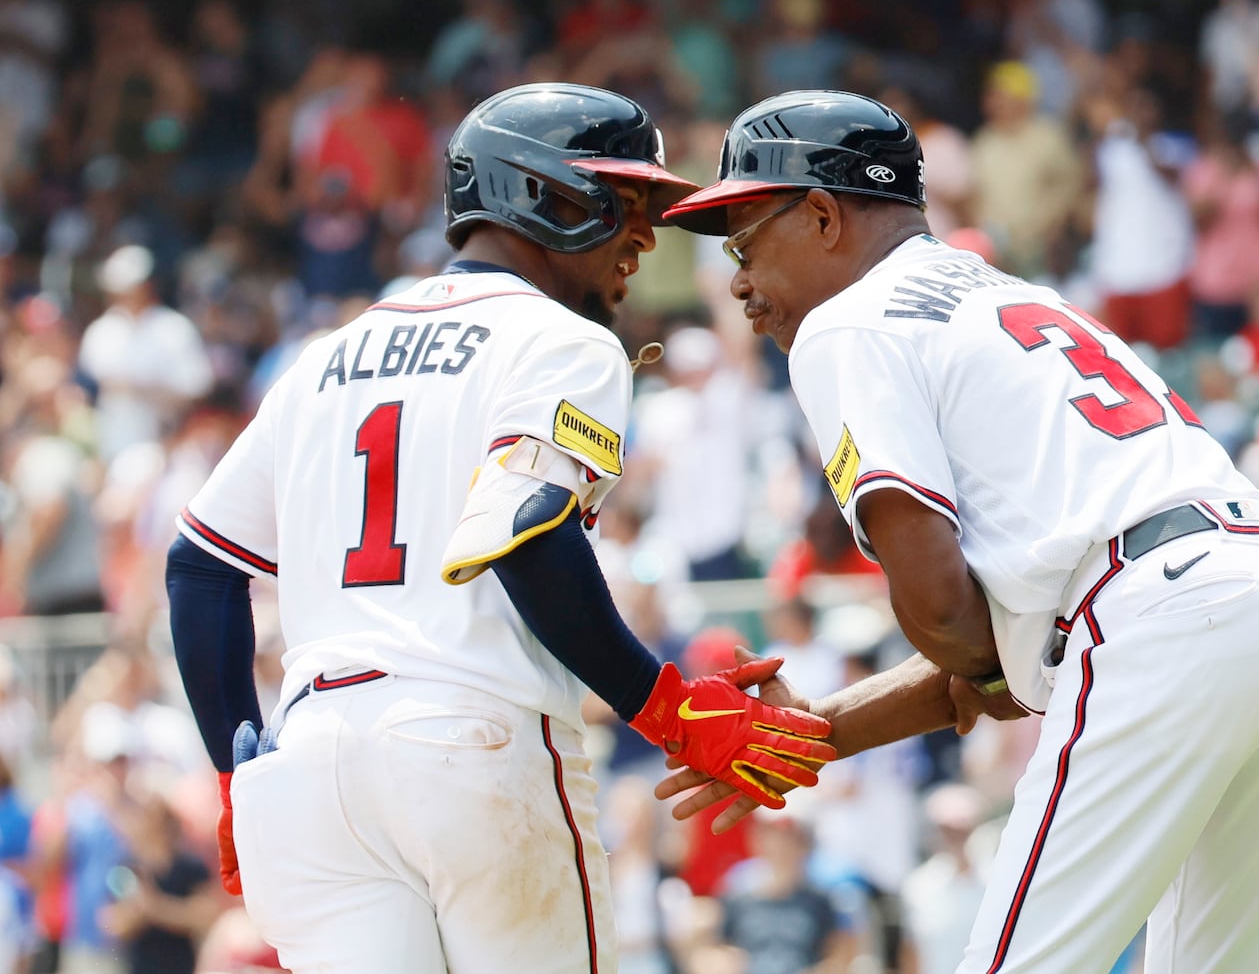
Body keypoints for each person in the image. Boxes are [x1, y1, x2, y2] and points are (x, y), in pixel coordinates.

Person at [660, 89, 1259, 973]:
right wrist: (827, 728)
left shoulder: (844, 325)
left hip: (1158, 613)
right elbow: (993, 652)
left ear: (826, 216)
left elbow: (951, 620)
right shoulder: (1015, 295)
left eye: (747, 240)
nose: (738, 281)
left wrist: (985, 672)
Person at [164, 82, 834, 974]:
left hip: (308, 773)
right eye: (626, 202)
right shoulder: (562, 339)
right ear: (543, 194)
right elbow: (524, 530)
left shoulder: (324, 355)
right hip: (471, 744)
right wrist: (664, 707)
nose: (644, 235)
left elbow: (197, 565)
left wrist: (227, 777)